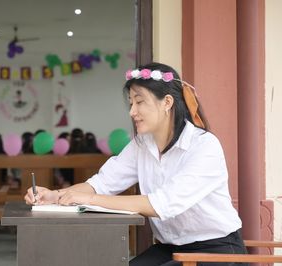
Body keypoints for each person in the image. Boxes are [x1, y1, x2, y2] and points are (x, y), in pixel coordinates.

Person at [25, 62, 248, 266]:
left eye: (140, 102)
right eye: (131, 103)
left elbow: (163, 204)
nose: (132, 112)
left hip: (218, 250)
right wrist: (56, 196)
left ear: (167, 102)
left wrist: (88, 200)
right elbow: (102, 183)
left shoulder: (203, 145)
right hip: (169, 249)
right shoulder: (142, 144)